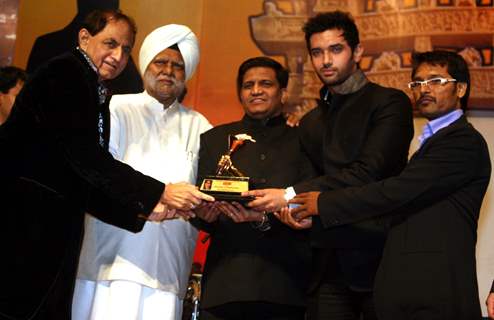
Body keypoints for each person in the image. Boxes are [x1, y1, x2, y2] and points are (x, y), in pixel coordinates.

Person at [0, 10, 212, 320]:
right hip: (27, 225)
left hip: (52, 230)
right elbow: (87, 159)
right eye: (110, 43)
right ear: (84, 38)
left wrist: (143, 211)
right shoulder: (66, 74)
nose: (117, 55)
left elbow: (83, 180)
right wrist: (160, 192)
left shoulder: (92, 85)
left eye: (125, 49)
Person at [284, 51, 491, 320]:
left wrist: (323, 203)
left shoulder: (462, 142)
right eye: (417, 83)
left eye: (436, 81)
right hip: (406, 292)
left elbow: (395, 192)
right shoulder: (428, 143)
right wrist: (319, 220)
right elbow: (392, 212)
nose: (424, 90)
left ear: (461, 88)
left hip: (435, 292)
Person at [245, 11, 414, 320]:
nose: (325, 60)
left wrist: (289, 194)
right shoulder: (310, 122)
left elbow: (369, 173)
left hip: (381, 257)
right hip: (326, 264)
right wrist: (293, 210)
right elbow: (311, 182)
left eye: (336, 49)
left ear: (358, 52)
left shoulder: (389, 103)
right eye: (317, 52)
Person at [72, 24, 211, 320]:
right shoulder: (115, 108)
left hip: (168, 266)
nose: (168, 71)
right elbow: (100, 173)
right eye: (160, 62)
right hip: (110, 259)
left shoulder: (200, 126)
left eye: (177, 66)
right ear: (146, 64)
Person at [194, 57, 315, 320]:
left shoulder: (304, 139)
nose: (256, 90)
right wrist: (203, 216)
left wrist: (264, 218)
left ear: (283, 93)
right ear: (240, 93)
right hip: (225, 283)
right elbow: (200, 200)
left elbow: (310, 198)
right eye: (248, 85)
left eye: (266, 84)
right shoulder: (215, 139)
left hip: (284, 283)